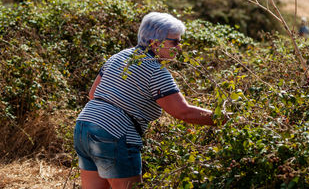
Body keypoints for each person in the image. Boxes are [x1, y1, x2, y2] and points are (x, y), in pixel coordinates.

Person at [74, 12, 226, 189]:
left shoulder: (119, 56)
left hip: (84, 127)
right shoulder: (156, 70)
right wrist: (226, 119)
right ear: (155, 43)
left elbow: (93, 94)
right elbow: (183, 112)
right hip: (115, 135)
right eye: (174, 41)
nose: (179, 47)